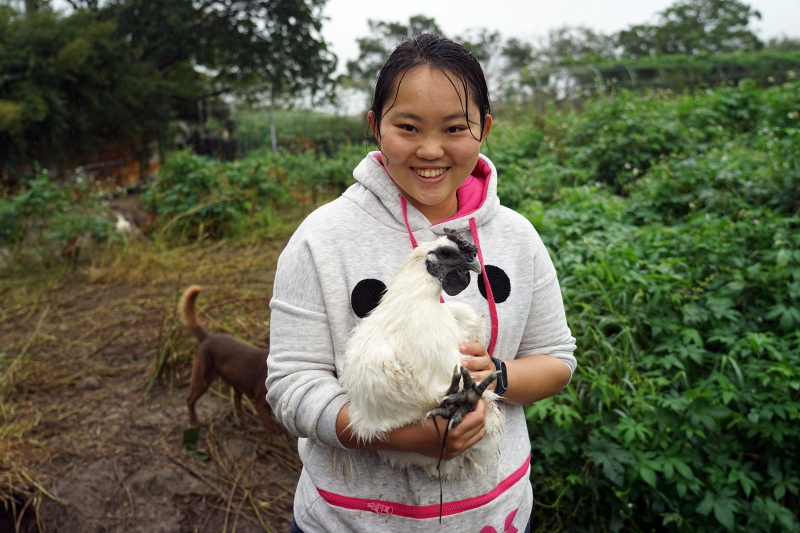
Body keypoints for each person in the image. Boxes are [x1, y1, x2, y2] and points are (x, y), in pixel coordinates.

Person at [266, 33, 577, 533]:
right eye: (408, 126)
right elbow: (290, 387)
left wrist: (496, 373)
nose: (431, 149)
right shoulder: (322, 240)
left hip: (494, 516)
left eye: (455, 127)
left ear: (484, 129)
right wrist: (398, 435)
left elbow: (558, 360)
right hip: (351, 523)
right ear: (375, 127)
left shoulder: (518, 238)